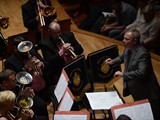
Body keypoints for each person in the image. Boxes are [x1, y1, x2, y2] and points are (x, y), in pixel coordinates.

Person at [105, 28, 160, 120]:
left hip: (148, 92)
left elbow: (142, 72)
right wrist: (112, 62)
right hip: (137, 89)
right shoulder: (128, 49)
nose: (123, 41)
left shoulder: (143, 54)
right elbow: (123, 57)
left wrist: (123, 74)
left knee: (153, 116)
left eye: (127, 39)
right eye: (124, 38)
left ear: (134, 41)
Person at [4, 36, 54, 103]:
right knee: (41, 105)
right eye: (22, 49)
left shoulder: (32, 52)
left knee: (57, 93)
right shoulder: (10, 62)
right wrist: (25, 67)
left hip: (45, 85)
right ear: (15, 49)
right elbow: (16, 82)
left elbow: (47, 65)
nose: (25, 51)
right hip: (31, 92)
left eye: (25, 47)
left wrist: (41, 64)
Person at [40, 21, 84, 87]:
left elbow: (80, 49)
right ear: (49, 32)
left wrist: (72, 49)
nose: (58, 35)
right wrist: (62, 52)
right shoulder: (45, 44)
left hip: (73, 64)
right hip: (59, 69)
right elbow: (49, 61)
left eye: (59, 32)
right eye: (55, 33)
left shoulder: (69, 35)